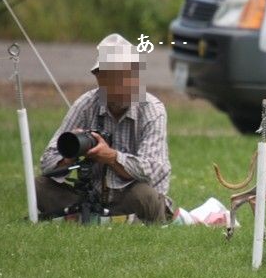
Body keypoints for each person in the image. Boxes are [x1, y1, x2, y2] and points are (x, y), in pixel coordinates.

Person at [35, 33, 172, 223]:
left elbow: (151, 169)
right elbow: (47, 162)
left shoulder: (152, 109)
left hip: (131, 197)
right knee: (39, 187)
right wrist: (69, 154)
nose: (120, 86)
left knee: (145, 195)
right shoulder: (86, 104)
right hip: (89, 197)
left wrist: (111, 157)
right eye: (112, 77)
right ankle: (101, 219)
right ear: (99, 78)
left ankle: (84, 220)